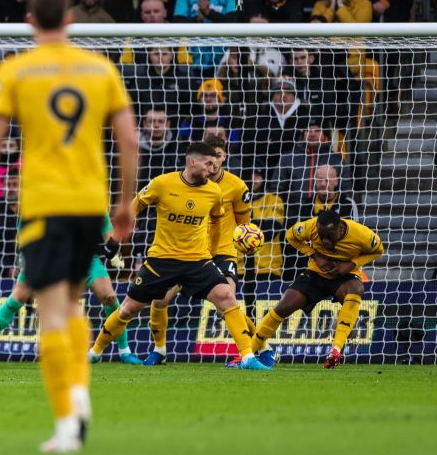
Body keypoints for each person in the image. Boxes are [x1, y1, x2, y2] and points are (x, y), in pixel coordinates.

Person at [0, 0, 140, 452]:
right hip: (89, 204)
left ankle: (68, 419)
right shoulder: (100, 69)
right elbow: (129, 142)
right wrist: (124, 204)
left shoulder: (18, 70)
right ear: (70, 19)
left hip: (43, 205)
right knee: (76, 303)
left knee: (52, 310)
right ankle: (79, 400)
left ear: (29, 21)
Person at [89, 142, 271, 371]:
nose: (211, 170)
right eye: (208, 164)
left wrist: (213, 254)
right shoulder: (163, 184)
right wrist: (114, 242)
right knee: (128, 309)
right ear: (192, 162)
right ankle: (95, 352)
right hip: (161, 261)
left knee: (226, 296)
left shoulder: (215, 192)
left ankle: (248, 357)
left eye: (215, 164)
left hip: (198, 261)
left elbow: (215, 222)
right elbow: (132, 210)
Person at [0, 216, 144, 365]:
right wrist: (24, 258)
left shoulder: (88, 193)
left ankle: (124, 351)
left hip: (85, 257)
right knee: (18, 297)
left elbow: (107, 231)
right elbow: (23, 231)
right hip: (46, 255)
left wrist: (113, 249)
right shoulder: (44, 191)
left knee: (109, 296)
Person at [251, 210, 383, 369]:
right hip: (316, 274)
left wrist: (351, 264)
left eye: (329, 236)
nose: (325, 240)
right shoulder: (310, 227)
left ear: (340, 228)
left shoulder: (361, 234)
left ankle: (335, 351)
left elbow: (378, 250)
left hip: (344, 276)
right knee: (285, 304)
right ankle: (247, 354)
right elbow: (290, 235)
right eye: (321, 235)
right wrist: (314, 255)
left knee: (356, 288)